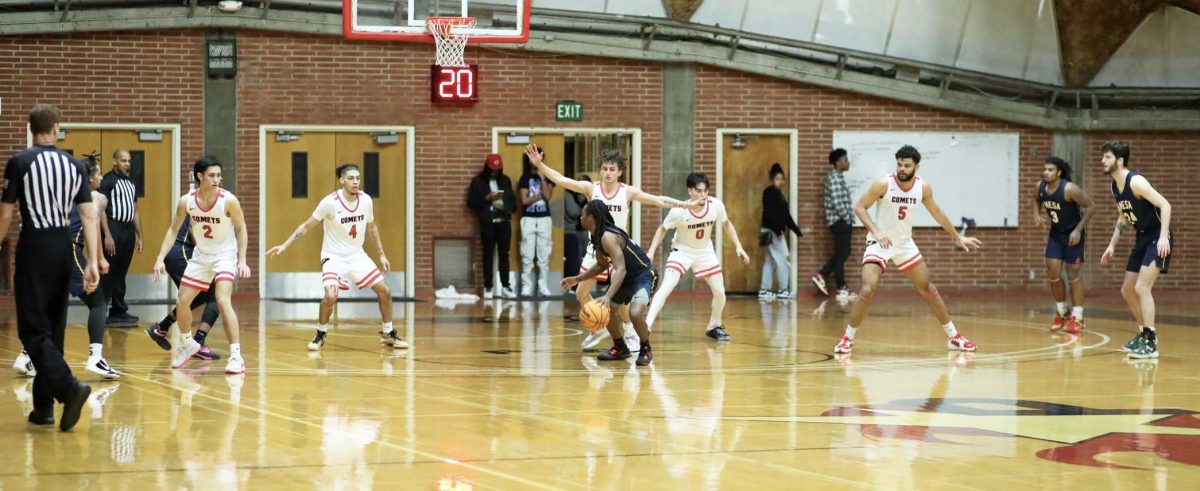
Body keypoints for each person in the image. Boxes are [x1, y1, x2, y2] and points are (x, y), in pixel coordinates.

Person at [524, 144, 693, 351]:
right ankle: (598, 327)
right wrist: (540, 165)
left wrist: (684, 205)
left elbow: (657, 200)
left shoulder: (627, 192)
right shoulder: (591, 189)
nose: (608, 173)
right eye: (604, 169)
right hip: (594, 250)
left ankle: (630, 332)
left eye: (612, 169)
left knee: (619, 299)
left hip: (617, 252)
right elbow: (561, 180)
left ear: (620, 171)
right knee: (580, 294)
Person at [1, 104, 97, 430]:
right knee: (53, 328)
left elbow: (5, 215)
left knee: (32, 328)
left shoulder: (20, 162)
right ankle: (43, 408)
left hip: (34, 246)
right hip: (63, 248)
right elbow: (88, 215)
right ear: (56, 128)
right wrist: (93, 261)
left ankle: (69, 388)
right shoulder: (74, 166)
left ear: (31, 129)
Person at [834, 145, 982, 355]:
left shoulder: (923, 188)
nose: (902, 169)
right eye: (899, 164)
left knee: (928, 288)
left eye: (907, 165)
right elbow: (859, 207)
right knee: (867, 289)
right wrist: (876, 231)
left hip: (904, 243)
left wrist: (957, 237)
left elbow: (937, 212)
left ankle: (953, 337)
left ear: (916, 167)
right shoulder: (884, 184)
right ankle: (847, 338)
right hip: (880, 243)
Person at [267, 163, 408, 351]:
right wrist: (285, 245)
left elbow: (372, 227)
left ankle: (388, 333)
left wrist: (382, 254)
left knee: (385, 292)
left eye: (357, 178)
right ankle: (320, 334)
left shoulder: (366, 200)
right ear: (341, 180)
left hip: (357, 256)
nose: (355, 182)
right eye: (350, 178)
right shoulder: (330, 203)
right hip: (333, 257)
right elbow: (306, 226)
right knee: (331, 296)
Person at [152, 156, 250, 373]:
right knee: (183, 300)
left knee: (222, 300)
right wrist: (160, 258)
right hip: (201, 256)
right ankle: (187, 344)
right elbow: (173, 230)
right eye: (212, 175)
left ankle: (236, 356)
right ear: (200, 176)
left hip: (224, 256)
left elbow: (241, 228)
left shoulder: (229, 200)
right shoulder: (186, 201)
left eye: (219, 175)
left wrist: (241, 260)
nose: (217, 179)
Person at [644, 172, 750, 341]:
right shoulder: (678, 211)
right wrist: (651, 251)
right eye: (699, 191)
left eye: (706, 191)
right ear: (690, 191)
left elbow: (727, 223)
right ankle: (646, 326)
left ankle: (714, 326)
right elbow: (662, 229)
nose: (703, 195)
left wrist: (739, 246)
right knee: (665, 288)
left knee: (720, 292)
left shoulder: (716, 205)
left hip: (705, 252)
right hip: (682, 250)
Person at [1098, 141, 1173, 359]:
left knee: (1142, 287)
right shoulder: (1115, 186)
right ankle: (1143, 334)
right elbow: (1123, 216)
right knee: (1127, 290)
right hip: (1142, 238)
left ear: (1120, 161)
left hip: (1157, 237)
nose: (1103, 161)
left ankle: (1150, 342)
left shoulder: (1136, 182)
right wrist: (1112, 244)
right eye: (1103, 157)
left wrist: (1162, 237)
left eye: (1107, 157)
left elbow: (1165, 205)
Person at [561, 200, 657, 366]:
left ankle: (645, 347)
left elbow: (620, 270)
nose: (580, 218)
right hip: (627, 278)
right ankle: (620, 347)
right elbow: (601, 265)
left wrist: (607, 295)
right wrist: (577, 279)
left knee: (634, 313)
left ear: (591, 217)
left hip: (644, 275)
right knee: (608, 310)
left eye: (582, 215)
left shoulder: (608, 237)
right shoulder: (598, 236)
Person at [143, 218, 223, 361]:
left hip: (180, 252)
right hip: (183, 252)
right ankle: (198, 343)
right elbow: (193, 229)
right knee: (216, 295)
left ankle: (162, 328)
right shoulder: (205, 204)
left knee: (197, 296)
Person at [1033, 156, 1095, 334]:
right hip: (1056, 234)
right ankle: (1062, 312)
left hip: (1074, 235)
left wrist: (1077, 230)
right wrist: (1036, 213)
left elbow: (1091, 206)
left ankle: (1078, 317)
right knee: (1053, 274)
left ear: (1059, 173)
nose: (1046, 172)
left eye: (1050, 170)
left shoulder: (1069, 189)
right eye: (1045, 169)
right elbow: (1036, 199)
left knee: (1073, 275)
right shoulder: (1040, 187)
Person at [99, 148, 142, 325]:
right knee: (109, 271)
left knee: (121, 272)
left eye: (129, 161)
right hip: (113, 227)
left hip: (127, 230)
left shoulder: (131, 183)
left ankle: (118, 310)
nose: (127, 164)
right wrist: (107, 234)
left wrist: (140, 235)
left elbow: (135, 211)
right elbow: (101, 209)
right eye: (123, 161)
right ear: (115, 161)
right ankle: (99, 309)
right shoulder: (108, 181)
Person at [466, 154, 516, 299]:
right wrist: (486, 199)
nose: (494, 172)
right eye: (492, 169)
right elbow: (471, 203)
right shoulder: (478, 182)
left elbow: (512, 202)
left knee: (504, 254)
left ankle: (505, 286)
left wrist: (506, 207)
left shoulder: (505, 180)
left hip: (503, 222)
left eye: (497, 170)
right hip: (488, 223)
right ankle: (488, 286)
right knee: (488, 254)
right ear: (487, 168)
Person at [813, 148, 854, 297]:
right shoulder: (835, 178)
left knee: (842, 254)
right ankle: (837, 284)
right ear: (837, 162)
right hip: (840, 221)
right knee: (842, 254)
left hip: (840, 221)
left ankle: (835, 282)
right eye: (845, 159)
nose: (848, 162)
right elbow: (837, 203)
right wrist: (847, 218)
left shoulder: (838, 177)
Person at [759, 163, 802, 299]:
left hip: (773, 231)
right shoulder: (770, 193)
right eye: (777, 178)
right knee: (783, 259)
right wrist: (777, 230)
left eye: (781, 179)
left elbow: (786, 216)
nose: (780, 181)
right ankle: (783, 289)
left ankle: (764, 290)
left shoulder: (780, 195)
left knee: (770, 261)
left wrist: (796, 230)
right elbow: (770, 213)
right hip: (773, 232)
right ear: (773, 179)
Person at [517, 146, 555, 297]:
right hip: (528, 219)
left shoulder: (548, 176)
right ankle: (526, 287)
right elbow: (524, 200)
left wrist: (542, 176)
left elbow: (548, 197)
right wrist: (540, 196)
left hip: (544, 219)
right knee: (527, 254)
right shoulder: (524, 178)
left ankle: (542, 287)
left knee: (543, 255)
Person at [562, 174, 591, 283]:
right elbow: (573, 212)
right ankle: (575, 282)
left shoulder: (591, 196)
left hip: (587, 231)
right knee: (576, 258)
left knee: (587, 257)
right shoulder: (570, 195)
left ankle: (587, 281)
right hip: (573, 230)